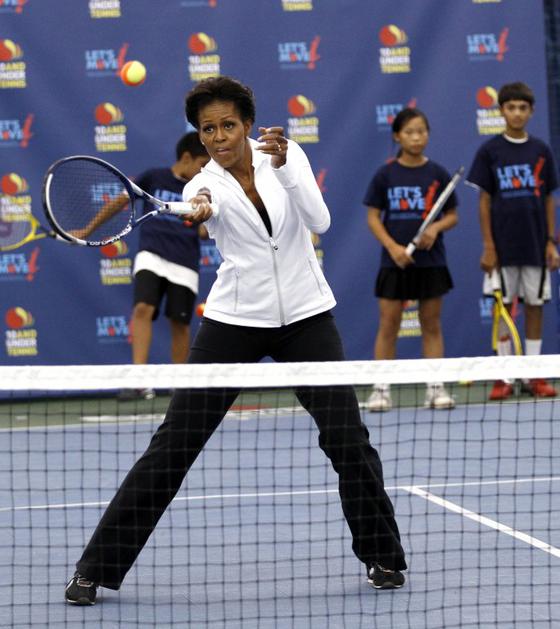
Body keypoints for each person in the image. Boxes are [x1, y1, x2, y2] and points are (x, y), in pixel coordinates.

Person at [64, 76, 407, 605]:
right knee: (174, 443)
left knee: (348, 439)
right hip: (234, 321)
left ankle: (383, 556)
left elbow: (320, 220)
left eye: (228, 125)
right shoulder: (201, 185)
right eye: (208, 129)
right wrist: (202, 207)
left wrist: (288, 167)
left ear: (248, 124)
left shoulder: (287, 157)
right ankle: (96, 568)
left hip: (307, 317)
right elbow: (204, 205)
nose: (219, 137)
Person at [466, 81, 560, 401]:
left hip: (536, 245)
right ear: (501, 111)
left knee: (535, 307)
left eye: (522, 108)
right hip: (502, 248)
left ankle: (533, 374)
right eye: (511, 107)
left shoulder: (541, 150)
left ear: (531, 112)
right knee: (503, 310)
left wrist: (550, 242)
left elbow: (549, 199)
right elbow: (484, 202)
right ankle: (504, 376)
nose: (517, 113)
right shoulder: (489, 151)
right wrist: (489, 246)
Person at [364, 108, 459, 412]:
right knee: (388, 325)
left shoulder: (438, 173)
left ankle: (435, 388)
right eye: (409, 132)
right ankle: (381, 390)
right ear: (397, 136)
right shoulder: (385, 175)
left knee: (431, 325)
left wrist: (435, 228)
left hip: (431, 262)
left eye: (421, 131)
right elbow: (373, 217)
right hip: (395, 262)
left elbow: (452, 215)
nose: (416, 137)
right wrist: (392, 247)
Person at [119, 133, 209, 400]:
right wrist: (87, 231)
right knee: (143, 308)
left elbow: (204, 233)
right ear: (186, 158)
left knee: (179, 323)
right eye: (202, 164)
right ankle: (139, 381)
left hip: (185, 262)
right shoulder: (153, 178)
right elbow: (119, 202)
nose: (204, 171)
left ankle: (179, 385)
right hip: (152, 255)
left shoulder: (202, 190)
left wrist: (202, 218)